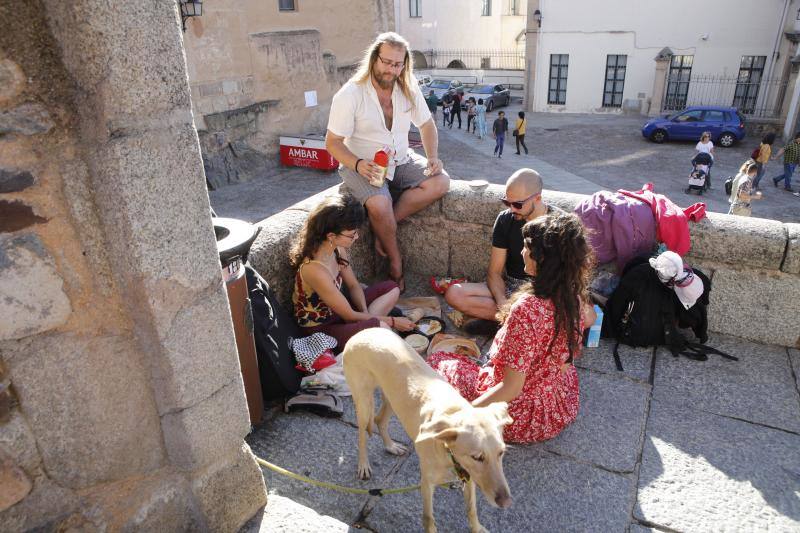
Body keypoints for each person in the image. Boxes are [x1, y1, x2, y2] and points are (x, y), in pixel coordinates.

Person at [429, 212, 596, 444]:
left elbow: (511, 388)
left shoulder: (527, 309)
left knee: (438, 362)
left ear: (543, 258)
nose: (522, 252)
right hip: (554, 405)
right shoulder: (573, 295)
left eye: (527, 247)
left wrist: (463, 417)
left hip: (519, 417)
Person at [326, 32, 450, 293]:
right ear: (374, 59)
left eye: (398, 64)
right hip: (363, 163)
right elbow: (333, 142)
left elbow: (426, 124)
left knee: (441, 182)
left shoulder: (408, 86)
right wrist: (358, 164)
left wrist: (432, 157)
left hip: (400, 159)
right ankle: (396, 265)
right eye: (386, 62)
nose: (392, 69)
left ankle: (383, 229)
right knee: (380, 205)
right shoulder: (351, 94)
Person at [291, 195, 415, 351]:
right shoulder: (314, 269)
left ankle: (365, 327)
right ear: (331, 236)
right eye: (351, 235)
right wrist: (392, 321)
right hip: (323, 329)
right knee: (382, 326)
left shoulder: (337, 249)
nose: (356, 237)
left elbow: (353, 285)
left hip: (342, 312)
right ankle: (368, 331)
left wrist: (363, 313)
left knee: (392, 288)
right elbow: (349, 315)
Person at [445, 169, 560, 327]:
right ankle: (515, 321)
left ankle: (510, 321)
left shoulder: (559, 225)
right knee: (454, 293)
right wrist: (503, 304)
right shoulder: (506, 219)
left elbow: (566, 281)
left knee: (585, 317)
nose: (512, 209)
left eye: (518, 204)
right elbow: (494, 272)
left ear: (538, 198)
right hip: (511, 287)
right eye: (507, 202)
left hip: (543, 292)